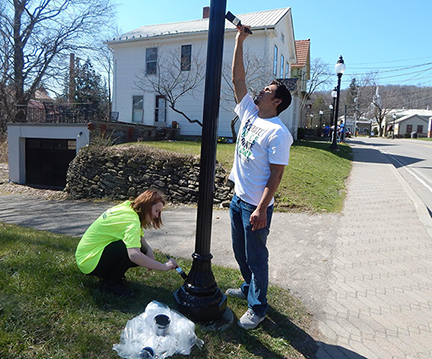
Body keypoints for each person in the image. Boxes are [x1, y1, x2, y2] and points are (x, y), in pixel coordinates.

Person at [226, 25, 294, 329]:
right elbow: (237, 78)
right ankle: (248, 288)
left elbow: (276, 177)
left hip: (256, 206)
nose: (260, 91)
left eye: (266, 91)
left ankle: (258, 307)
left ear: (276, 101)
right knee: (241, 255)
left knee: (256, 258)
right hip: (238, 199)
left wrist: (261, 209)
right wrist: (239, 40)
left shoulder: (279, 134)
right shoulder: (250, 113)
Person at [75, 189, 178, 297]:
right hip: (88, 262)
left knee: (139, 248)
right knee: (127, 249)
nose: (157, 216)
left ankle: (109, 275)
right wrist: (163, 266)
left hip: (86, 256)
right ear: (147, 206)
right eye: (156, 211)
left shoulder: (128, 207)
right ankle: (112, 283)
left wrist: (148, 249)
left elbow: (138, 235)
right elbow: (134, 256)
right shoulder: (131, 220)